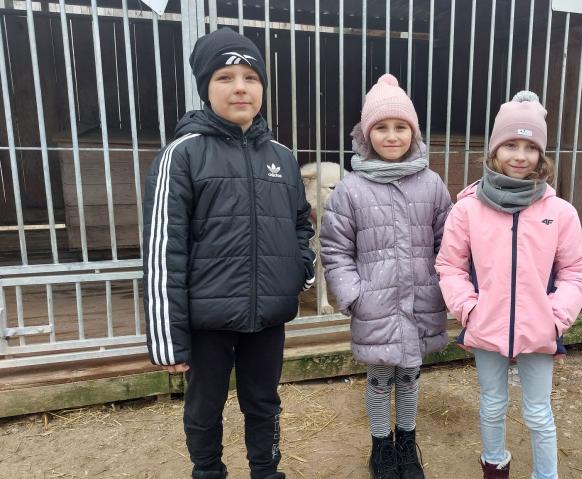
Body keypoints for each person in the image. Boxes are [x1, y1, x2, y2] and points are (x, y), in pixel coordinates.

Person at [142, 27, 315, 479]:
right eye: (225, 77)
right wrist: (167, 336)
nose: (240, 87)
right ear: (205, 88)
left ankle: (266, 471)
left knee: (264, 402)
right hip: (207, 322)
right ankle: (208, 472)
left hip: (267, 318)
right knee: (205, 407)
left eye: (250, 77)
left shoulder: (282, 157)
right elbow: (163, 249)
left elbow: (301, 222)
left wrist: (301, 269)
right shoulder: (182, 155)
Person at [435, 91, 582, 479]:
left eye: (530, 147)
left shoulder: (560, 212)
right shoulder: (467, 209)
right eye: (510, 145)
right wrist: (469, 310)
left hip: (540, 328)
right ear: (494, 151)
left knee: (538, 412)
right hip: (486, 325)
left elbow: (573, 270)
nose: (520, 156)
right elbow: (450, 265)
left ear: (541, 155)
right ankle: (495, 467)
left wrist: (556, 317)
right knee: (492, 404)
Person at [320, 73, 452, 479]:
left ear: (413, 133)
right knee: (379, 377)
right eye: (381, 127)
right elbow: (335, 248)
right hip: (375, 303)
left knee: (410, 375)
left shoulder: (432, 184)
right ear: (365, 134)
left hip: (420, 301)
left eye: (400, 127)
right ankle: (381, 447)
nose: (392, 136)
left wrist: (443, 286)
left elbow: (448, 241)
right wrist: (353, 294)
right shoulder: (350, 189)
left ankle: (407, 443)